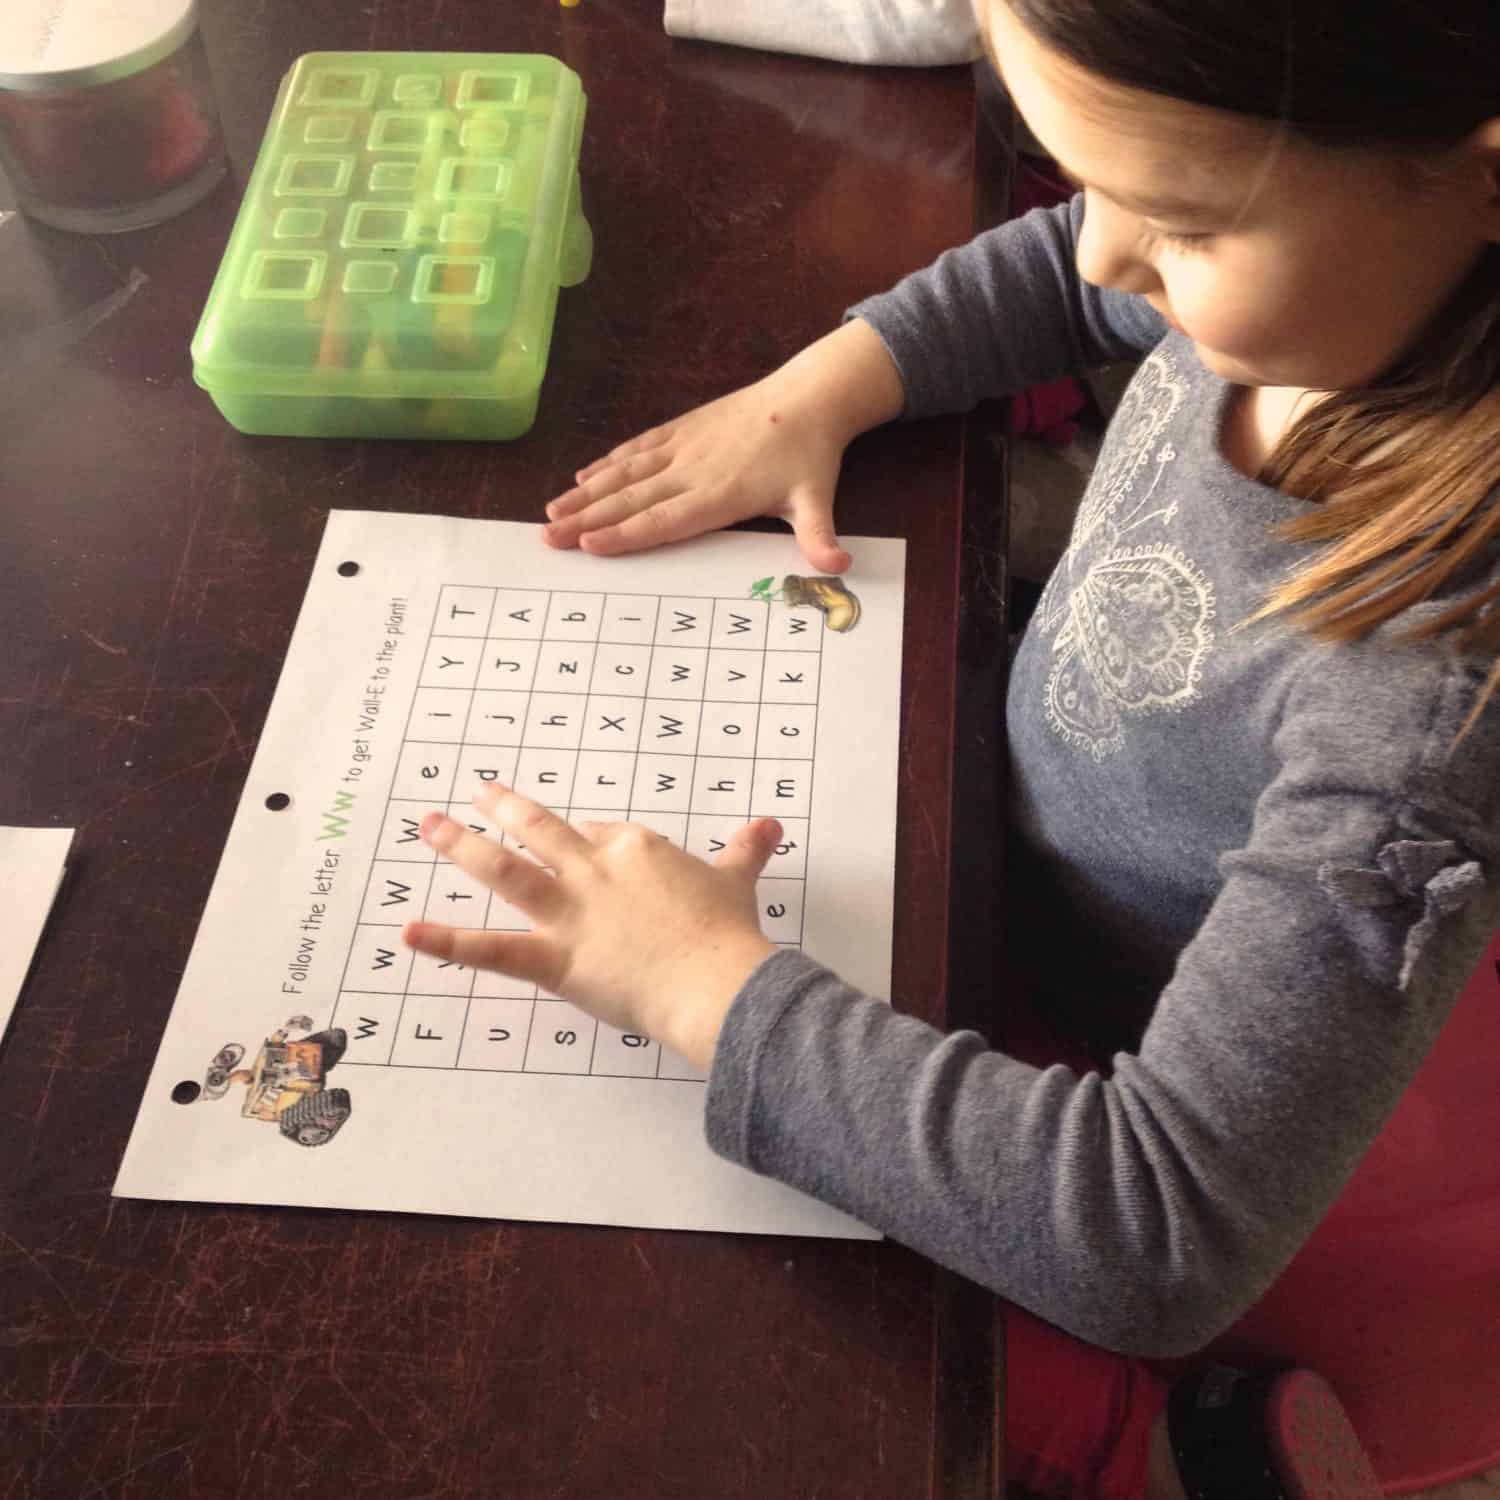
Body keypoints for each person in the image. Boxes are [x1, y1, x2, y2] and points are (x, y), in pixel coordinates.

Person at [403, 1, 1500, 1494]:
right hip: (1004, 874)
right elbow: (1069, 275)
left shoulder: (1430, 705)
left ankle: (1176, 1452)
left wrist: (691, 984)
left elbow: (1151, 1235)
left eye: (1176, 222)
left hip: (1118, 1047)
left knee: (839, 1347)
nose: (1106, 251)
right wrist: (820, 392)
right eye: (1085, 178)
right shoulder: (1333, 282)